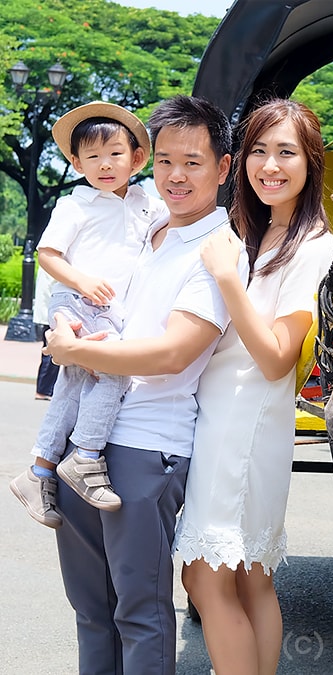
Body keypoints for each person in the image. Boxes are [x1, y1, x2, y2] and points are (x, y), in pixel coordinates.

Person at [44, 94, 248, 675]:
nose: (176, 176)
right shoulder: (144, 223)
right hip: (84, 438)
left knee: (139, 611)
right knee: (90, 609)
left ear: (223, 167)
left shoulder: (217, 250)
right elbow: (72, 281)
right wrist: (65, 321)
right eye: (164, 162)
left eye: (193, 162)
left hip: (144, 445)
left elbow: (176, 351)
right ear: (148, 162)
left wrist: (75, 349)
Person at [173, 99, 333, 675]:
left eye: (286, 152)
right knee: (248, 581)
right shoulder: (260, 231)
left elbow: (275, 360)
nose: (269, 165)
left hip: (245, 423)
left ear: (311, 162)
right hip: (229, 415)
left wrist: (225, 278)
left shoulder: (314, 244)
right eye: (258, 151)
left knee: (204, 577)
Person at [10, 101, 165, 526]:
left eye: (115, 154)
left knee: (73, 385)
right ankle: (87, 455)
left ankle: (40, 470)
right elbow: (48, 253)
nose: (105, 164)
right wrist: (80, 281)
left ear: (136, 158)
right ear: (76, 163)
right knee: (113, 368)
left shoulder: (146, 204)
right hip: (77, 303)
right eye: (92, 157)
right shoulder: (76, 204)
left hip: (111, 312)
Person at [33, 267, 60, 400]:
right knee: (51, 352)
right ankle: (44, 390)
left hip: (48, 314)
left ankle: (45, 389)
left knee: (50, 352)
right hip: (51, 315)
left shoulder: (46, 266)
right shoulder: (53, 267)